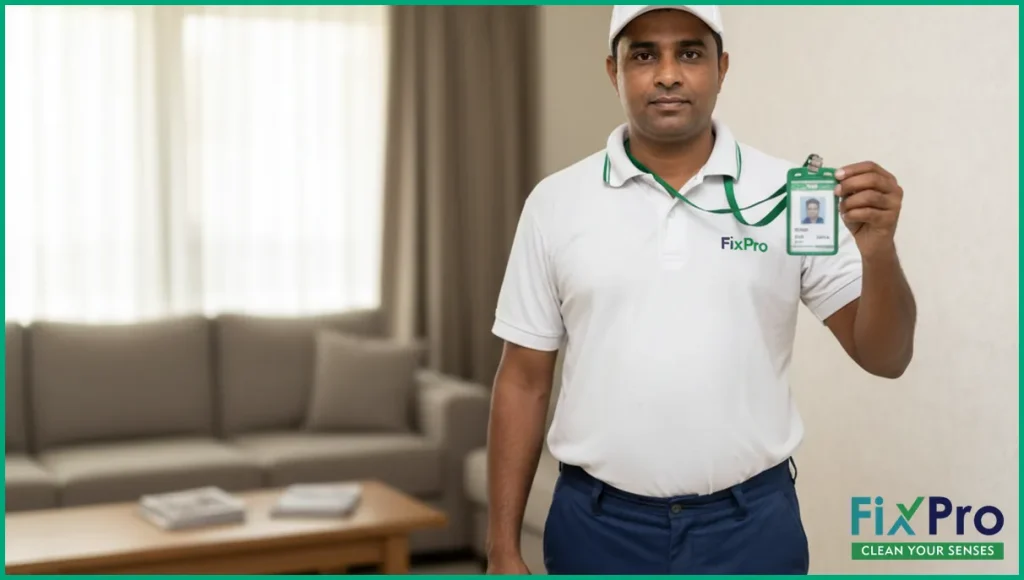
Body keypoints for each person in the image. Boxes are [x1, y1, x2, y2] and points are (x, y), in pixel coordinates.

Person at [485, 5, 916, 575]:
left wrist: (879, 249)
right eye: (643, 54)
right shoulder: (555, 203)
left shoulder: (792, 194)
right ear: (613, 72)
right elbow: (522, 379)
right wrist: (502, 547)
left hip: (751, 529)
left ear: (722, 68)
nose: (667, 73)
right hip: (596, 529)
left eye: (690, 53)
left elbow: (886, 358)